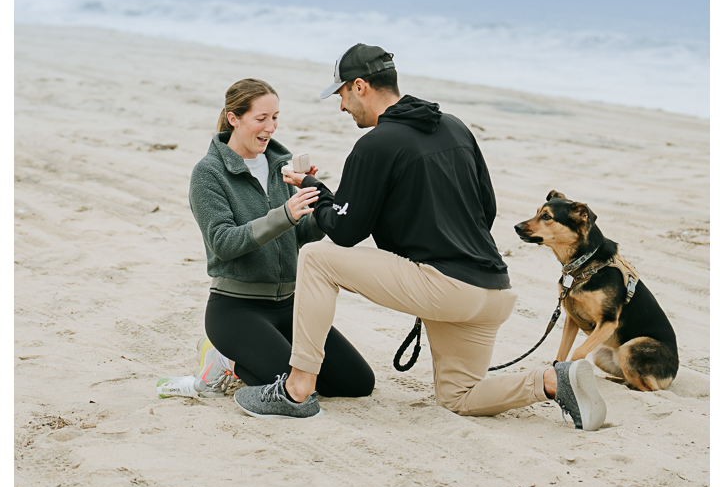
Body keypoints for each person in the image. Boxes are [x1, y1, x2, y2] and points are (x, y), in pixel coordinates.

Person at [235, 45, 608, 432]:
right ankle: (552, 380)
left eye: (342, 94)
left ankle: (296, 389)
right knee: (457, 397)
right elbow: (487, 209)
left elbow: (345, 232)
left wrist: (318, 192)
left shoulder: (375, 144)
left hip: (446, 288)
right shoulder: (455, 126)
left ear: (359, 86)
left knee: (315, 257)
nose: (342, 107)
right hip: (494, 290)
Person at [189, 77, 374, 400]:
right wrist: (285, 213)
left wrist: (315, 207)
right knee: (300, 389)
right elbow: (223, 242)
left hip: (290, 305)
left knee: (357, 384)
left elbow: (297, 235)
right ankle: (226, 359)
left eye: (275, 118)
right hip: (237, 310)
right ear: (234, 118)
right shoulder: (209, 173)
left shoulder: (278, 166)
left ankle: (247, 358)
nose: (270, 127)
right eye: (261, 119)